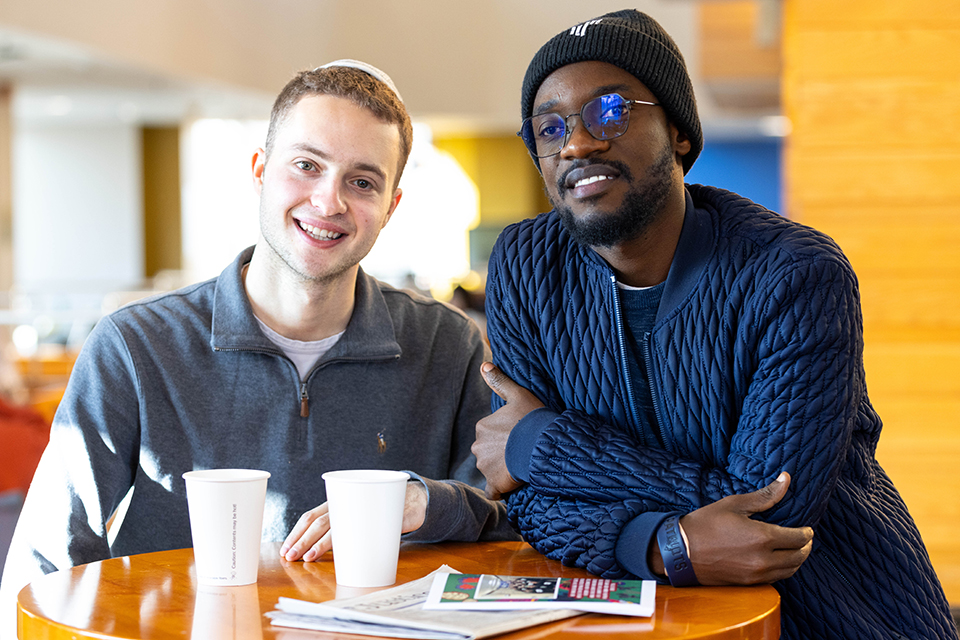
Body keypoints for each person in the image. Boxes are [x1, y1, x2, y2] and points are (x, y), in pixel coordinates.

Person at [472, 10, 956, 639]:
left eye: (610, 110)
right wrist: (662, 544)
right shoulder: (525, 266)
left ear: (677, 131)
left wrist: (544, 445)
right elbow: (528, 501)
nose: (578, 143)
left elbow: (767, 516)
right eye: (550, 127)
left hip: (837, 616)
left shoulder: (794, 274)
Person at [0, 60, 517, 636]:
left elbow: (517, 522)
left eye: (363, 181)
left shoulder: (449, 345)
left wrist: (429, 503)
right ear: (260, 173)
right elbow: (41, 569)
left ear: (391, 207)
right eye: (306, 166)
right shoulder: (134, 347)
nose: (328, 202)